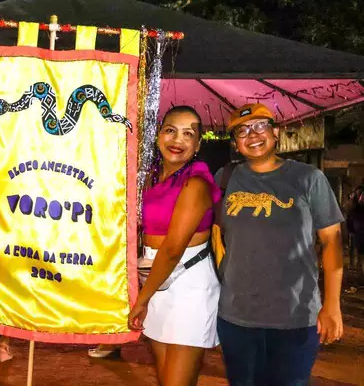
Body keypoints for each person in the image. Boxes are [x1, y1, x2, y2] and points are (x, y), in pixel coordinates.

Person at [215, 104, 344, 385]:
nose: (252, 135)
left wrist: (332, 305)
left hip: (295, 317)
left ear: (276, 133)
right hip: (236, 317)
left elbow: (332, 242)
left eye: (260, 126)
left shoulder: (308, 178)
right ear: (235, 143)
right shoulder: (225, 179)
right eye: (242, 130)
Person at [128, 106, 221, 385]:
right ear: (159, 135)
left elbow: (171, 250)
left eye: (188, 134)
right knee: (165, 376)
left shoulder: (195, 184)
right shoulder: (150, 177)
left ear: (198, 144)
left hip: (187, 286)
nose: (177, 140)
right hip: (153, 279)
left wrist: (142, 300)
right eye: (170, 130)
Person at [346, 186, 364, 278]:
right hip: (357, 233)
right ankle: (355, 266)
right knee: (357, 251)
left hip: (359, 232)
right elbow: (349, 219)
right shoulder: (353, 207)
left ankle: (359, 267)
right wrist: (351, 230)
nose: (359, 195)